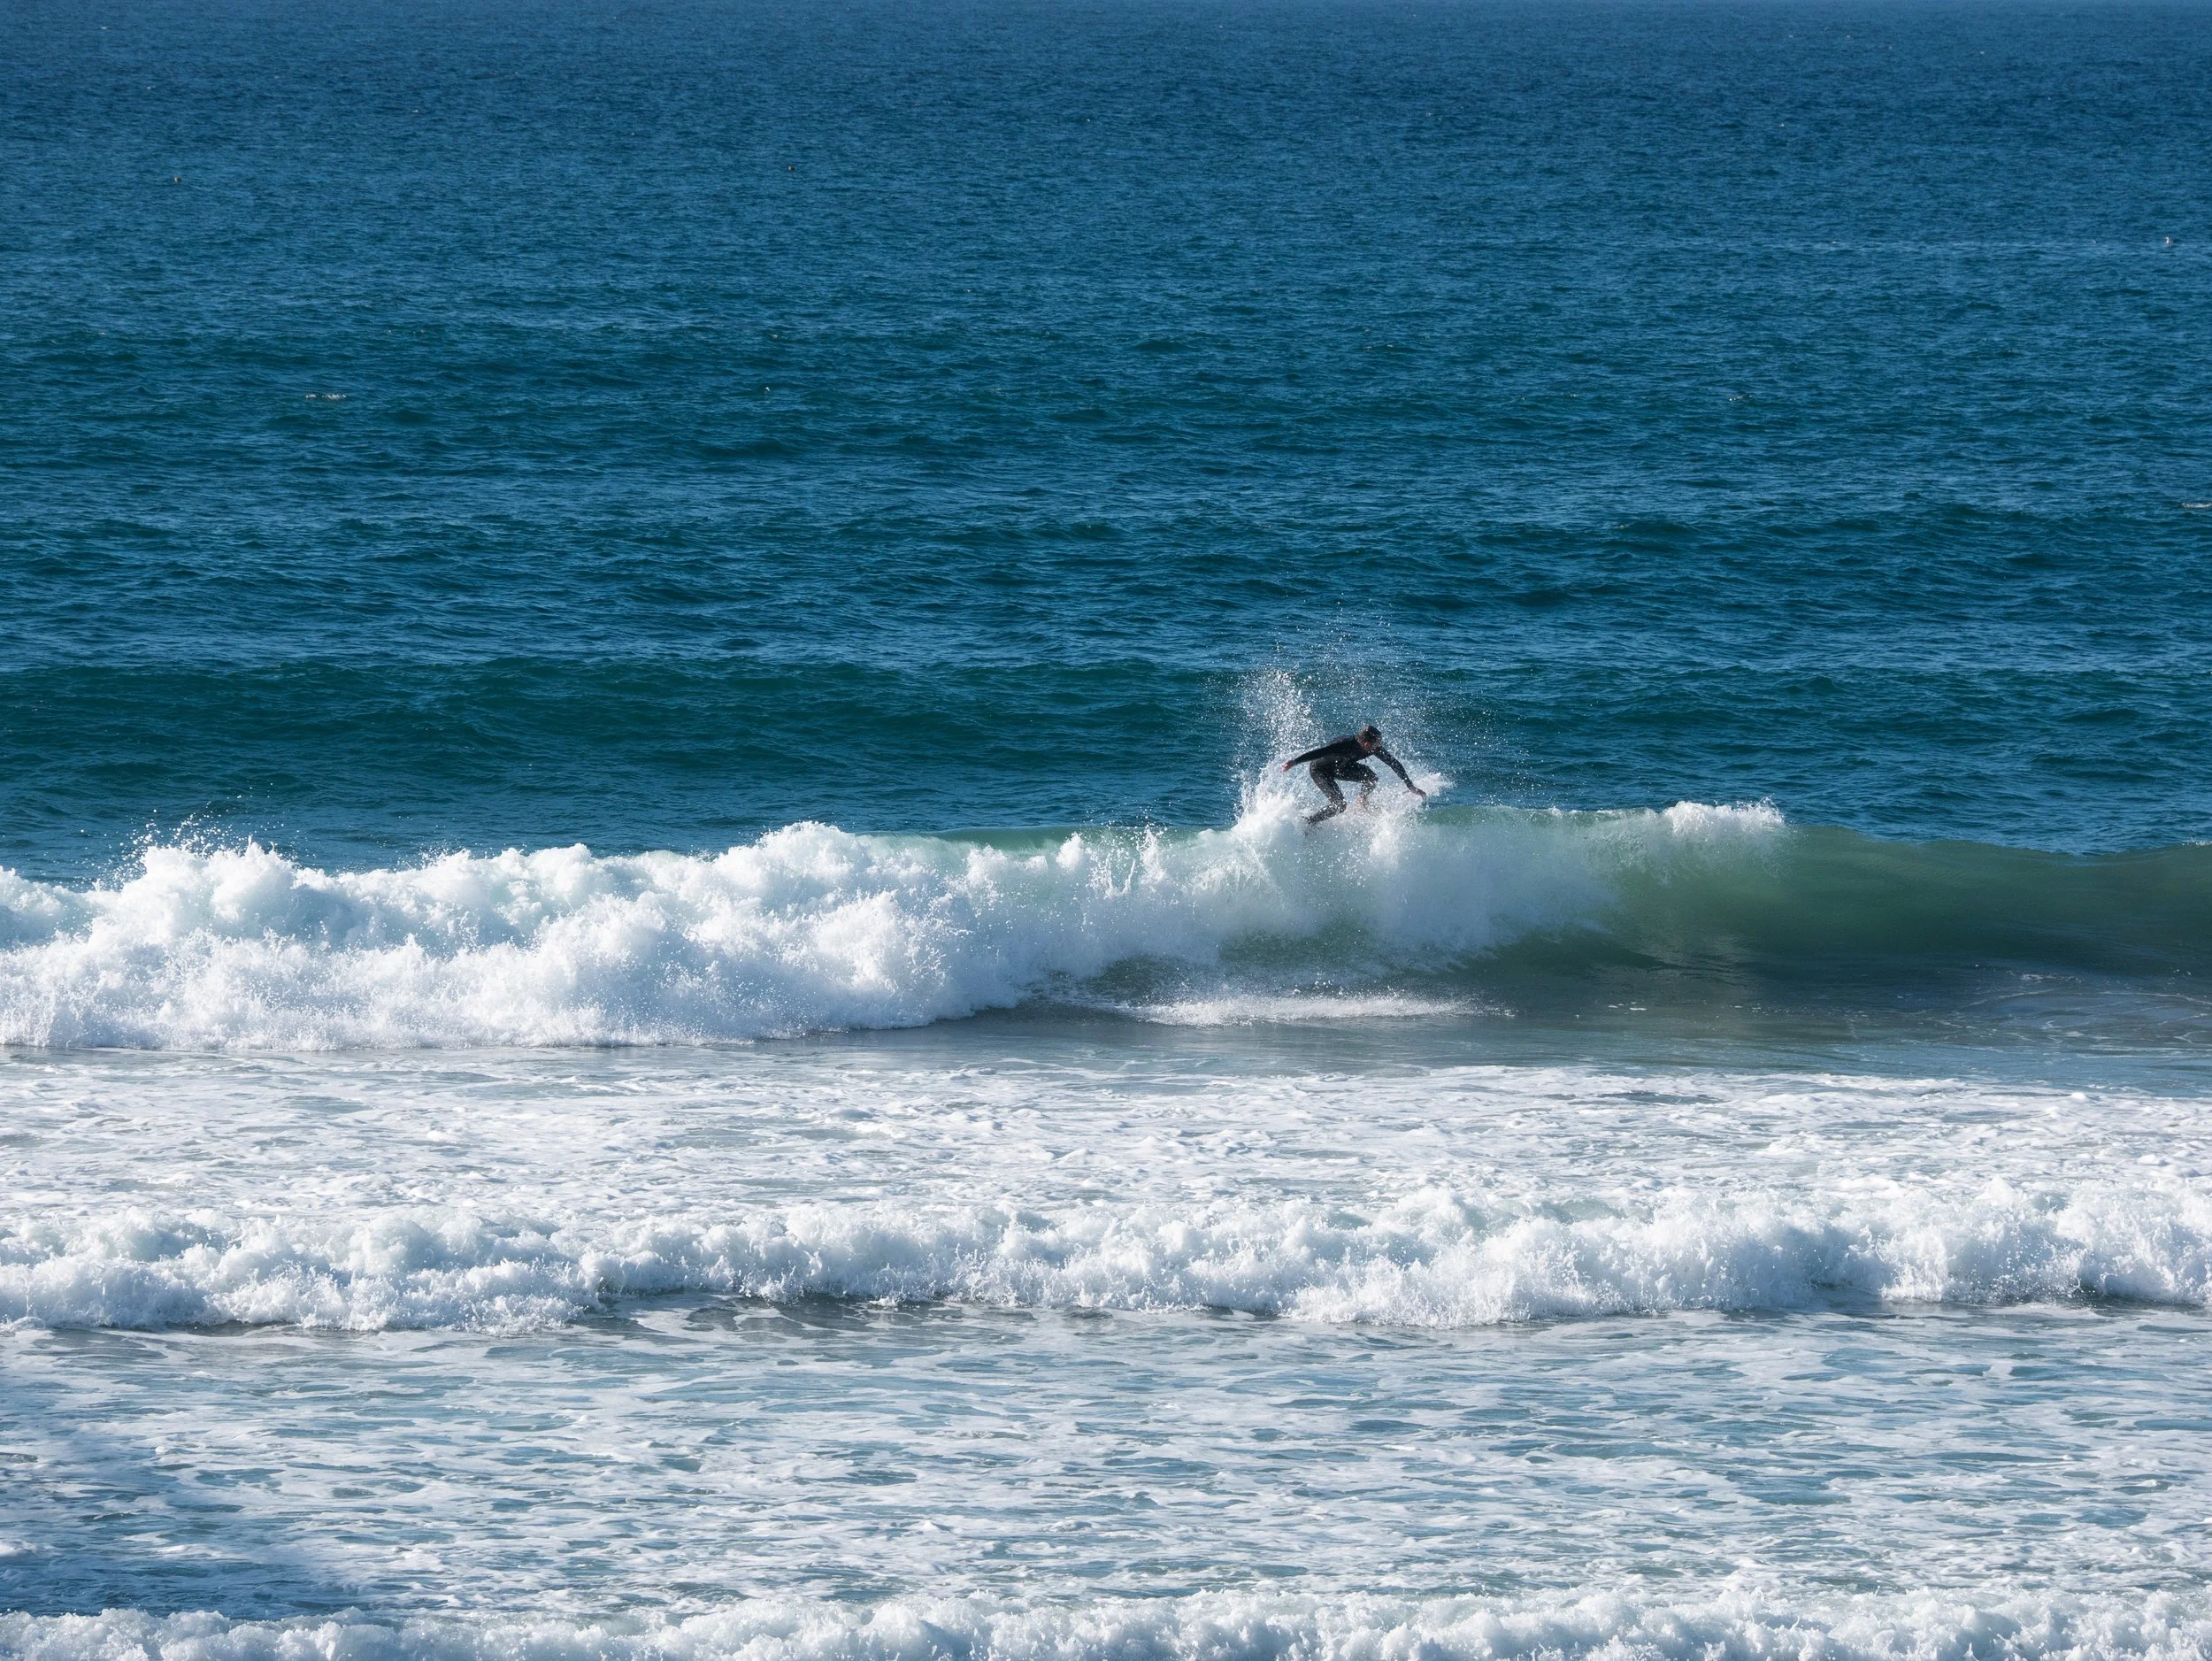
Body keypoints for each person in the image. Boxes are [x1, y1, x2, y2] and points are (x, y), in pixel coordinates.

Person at [1281, 726, 1426, 824]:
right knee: (1340, 805)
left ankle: (1362, 800)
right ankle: (1310, 822)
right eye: (1376, 743)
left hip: (1342, 767)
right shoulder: (1344, 745)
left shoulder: (1372, 748)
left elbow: (1393, 762)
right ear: (1365, 742)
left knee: (1371, 778)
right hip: (1321, 771)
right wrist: (1295, 762)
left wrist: (1410, 785)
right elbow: (1320, 752)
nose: (1379, 746)